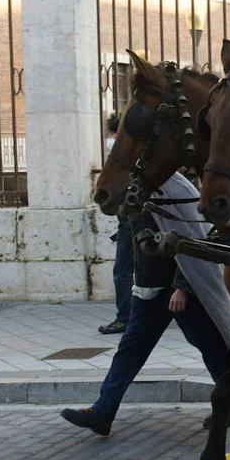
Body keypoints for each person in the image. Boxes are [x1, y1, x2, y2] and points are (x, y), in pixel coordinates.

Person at [62, 172, 230, 436]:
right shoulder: (136, 184)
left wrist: (182, 288)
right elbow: (136, 231)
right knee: (130, 351)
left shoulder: (175, 186)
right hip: (149, 289)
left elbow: (193, 239)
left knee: (211, 346)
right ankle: (103, 411)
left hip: (179, 293)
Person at [100, 113, 132, 335]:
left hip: (134, 220)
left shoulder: (128, 155)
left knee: (123, 272)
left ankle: (124, 318)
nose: (110, 139)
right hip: (127, 220)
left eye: (114, 134)